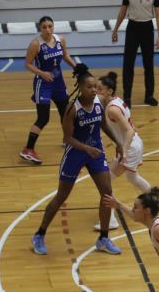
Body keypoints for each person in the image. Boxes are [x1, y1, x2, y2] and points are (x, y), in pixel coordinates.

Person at [31, 66, 124, 257]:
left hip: (95, 152)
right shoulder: (72, 109)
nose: (94, 90)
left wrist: (117, 142)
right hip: (76, 153)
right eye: (89, 87)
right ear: (80, 87)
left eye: (95, 87)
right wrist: (86, 148)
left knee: (107, 192)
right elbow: (67, 139)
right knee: (61, 196)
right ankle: (39, 234)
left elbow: (104, 124)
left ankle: (103, 239)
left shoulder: (99, 103)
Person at [96, 71, 159, 229]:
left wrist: (124, 151)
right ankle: (158, 201)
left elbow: (129, 130)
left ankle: (110, 220)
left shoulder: (112, 109)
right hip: (135, 144)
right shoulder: (116, 100)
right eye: (96, 88)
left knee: (106, 182)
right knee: (132, 177)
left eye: (100, 89)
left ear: (109, 91)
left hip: (130, 146)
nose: (96, 91)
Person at [19, 15, 76, 164]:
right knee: (43, 118)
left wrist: (77, 67)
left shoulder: (60, 40)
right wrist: (42, 73)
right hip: (43, 84)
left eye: (50, 26)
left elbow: (65, 55)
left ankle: (68, 139)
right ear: (40, 29)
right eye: (44, 27)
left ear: (53, 27)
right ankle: (28, 149)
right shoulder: (36, 44)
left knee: (66, 113)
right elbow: (28, 64)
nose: (48, 29)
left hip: (58, 82)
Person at [111, 0, 159, 108]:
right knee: (128, 64)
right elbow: (122, 12)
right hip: (132, 29)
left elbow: (158, 15)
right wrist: (115, 30)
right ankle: (127, 97)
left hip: (147, 29)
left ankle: (149, 96)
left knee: (148, 64)